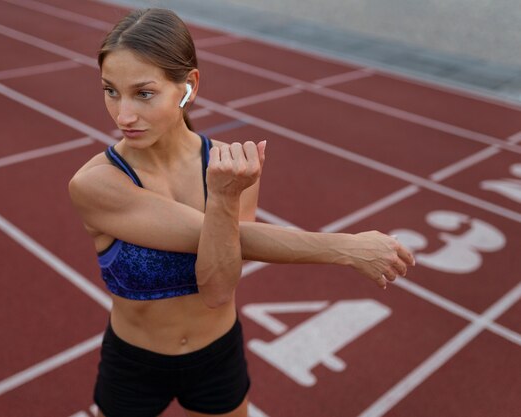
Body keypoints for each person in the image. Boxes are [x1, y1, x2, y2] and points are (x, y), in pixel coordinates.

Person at [68, 8, 415, 417]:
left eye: (143, 93)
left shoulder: (229, 166)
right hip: (133, 364)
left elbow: (218, 288)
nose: (123, 115)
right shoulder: (96, 185)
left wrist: (226, 195)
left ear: (188, 87)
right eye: (111, 90)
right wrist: (346, 247)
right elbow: (231, 239)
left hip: (216, 357)